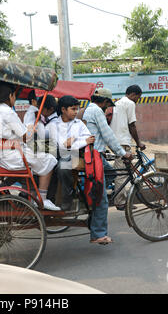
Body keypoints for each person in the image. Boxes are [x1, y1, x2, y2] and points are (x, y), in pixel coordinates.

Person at [0, 82, 61, 211]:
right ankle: (43, 198)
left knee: (41, 154)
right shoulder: (7, 112)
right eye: (14, 96)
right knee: (50, 159)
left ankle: (31, 196)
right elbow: (25, 136)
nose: (15, 99)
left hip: (5, 152)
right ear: (10, 96)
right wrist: (30, 129)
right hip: (12, 154)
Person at [83, 87, 132, 244]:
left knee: (112, 173)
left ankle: (95, 202)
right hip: (94, 157)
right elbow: (107, 134)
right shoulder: (97, 111)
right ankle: (98, 233)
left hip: (97, 154)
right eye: (107, 104)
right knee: (102, 197)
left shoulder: (89, 109)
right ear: (104, 102)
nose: (107, 107)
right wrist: (122, 152)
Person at [47, 95, 94, 211]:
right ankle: (49, 199)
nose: (76, 112)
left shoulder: (79, 124)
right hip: (57, 154)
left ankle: (68, 198)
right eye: (73, 109)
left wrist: (73, 142)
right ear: (63, 109)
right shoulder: (53, 125)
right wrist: (79, 141)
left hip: (76, 155)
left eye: (76, 109)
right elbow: (60, 145)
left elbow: (89, 139)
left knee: (63, 166)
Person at [109, 84, 145, 210]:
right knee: (122, 174)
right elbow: (132, 125)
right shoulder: (130, 103)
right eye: (138, 97)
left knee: (122, 170)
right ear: (133, 94)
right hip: (122, 141)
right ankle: (120, 201)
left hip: (114, 140)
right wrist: (139, 142)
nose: (137, 100)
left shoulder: (118, 103)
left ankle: (121, 196)